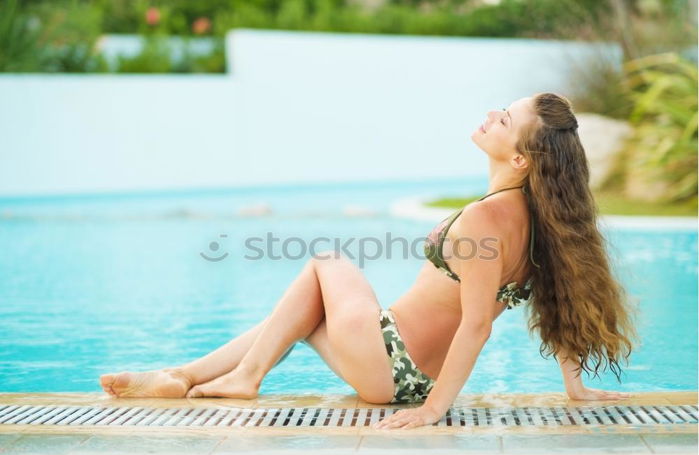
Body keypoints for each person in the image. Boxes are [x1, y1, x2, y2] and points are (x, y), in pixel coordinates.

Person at [99, 92, 640, 430]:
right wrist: (575, 386)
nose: (492, 115)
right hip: (409, 376)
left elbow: (476, 327)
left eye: (504, 120)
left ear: (519, 157)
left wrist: (432, 414)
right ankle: (183, 375)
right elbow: (557, 295)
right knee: (300, 310)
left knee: (326, 260)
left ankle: (245, 376)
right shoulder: (538, 222)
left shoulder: (486, 220)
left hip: (389, 353)